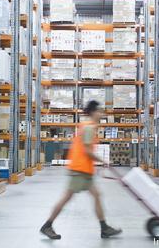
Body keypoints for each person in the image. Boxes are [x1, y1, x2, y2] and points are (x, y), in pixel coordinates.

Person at [40, 100, 122, 240]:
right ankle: (47, 225)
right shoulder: (89, 128)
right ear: (93, 112)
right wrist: (104, 161)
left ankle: (104, 228)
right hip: (79, 170)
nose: (101, 114)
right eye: (99, 111)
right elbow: (88, 152)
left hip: (85, 171)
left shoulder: (89, 126)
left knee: (96, 195)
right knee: (67, 198)